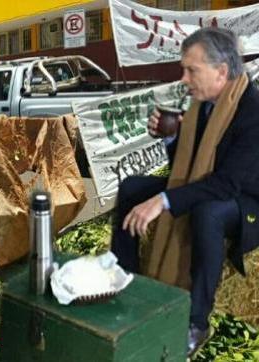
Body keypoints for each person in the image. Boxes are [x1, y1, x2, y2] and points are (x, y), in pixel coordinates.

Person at [110, 27, 259, 356]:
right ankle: (125, 276)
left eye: (192, 70)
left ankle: (196, 322)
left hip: (246, 199)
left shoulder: (252, 110)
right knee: (132, 187)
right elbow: (188, 166)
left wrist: (162, 202)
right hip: (210, 183)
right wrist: (171, 137)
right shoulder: (202, 104)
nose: (184, 79)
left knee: (208, 213)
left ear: (221, 71)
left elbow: (226, 184)